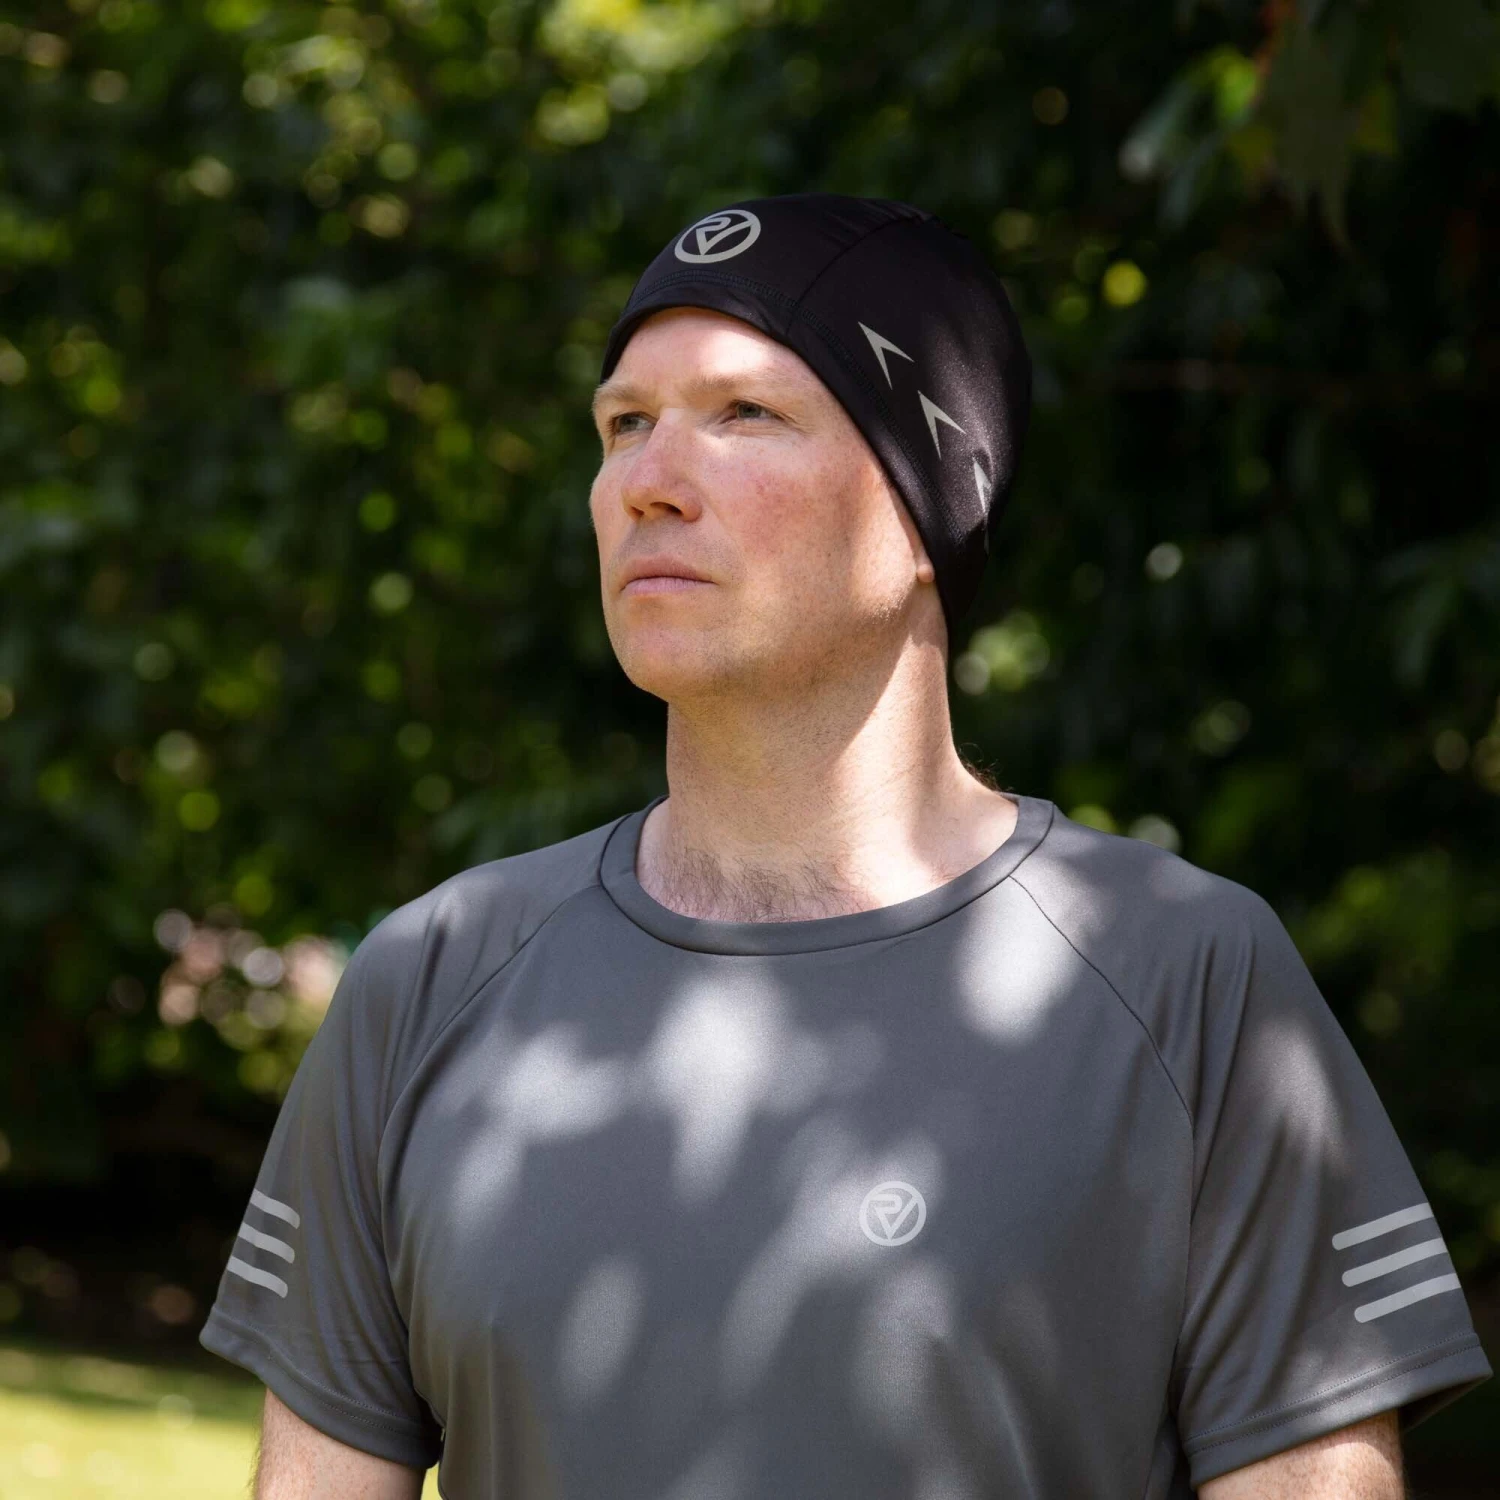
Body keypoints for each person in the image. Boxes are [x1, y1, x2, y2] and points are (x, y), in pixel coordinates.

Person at [199, 194, 1490, 1499]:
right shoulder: (430, 977)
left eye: (745, 414)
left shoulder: (1185, 980)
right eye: (624, 423)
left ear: (929, 506)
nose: (646, 481)